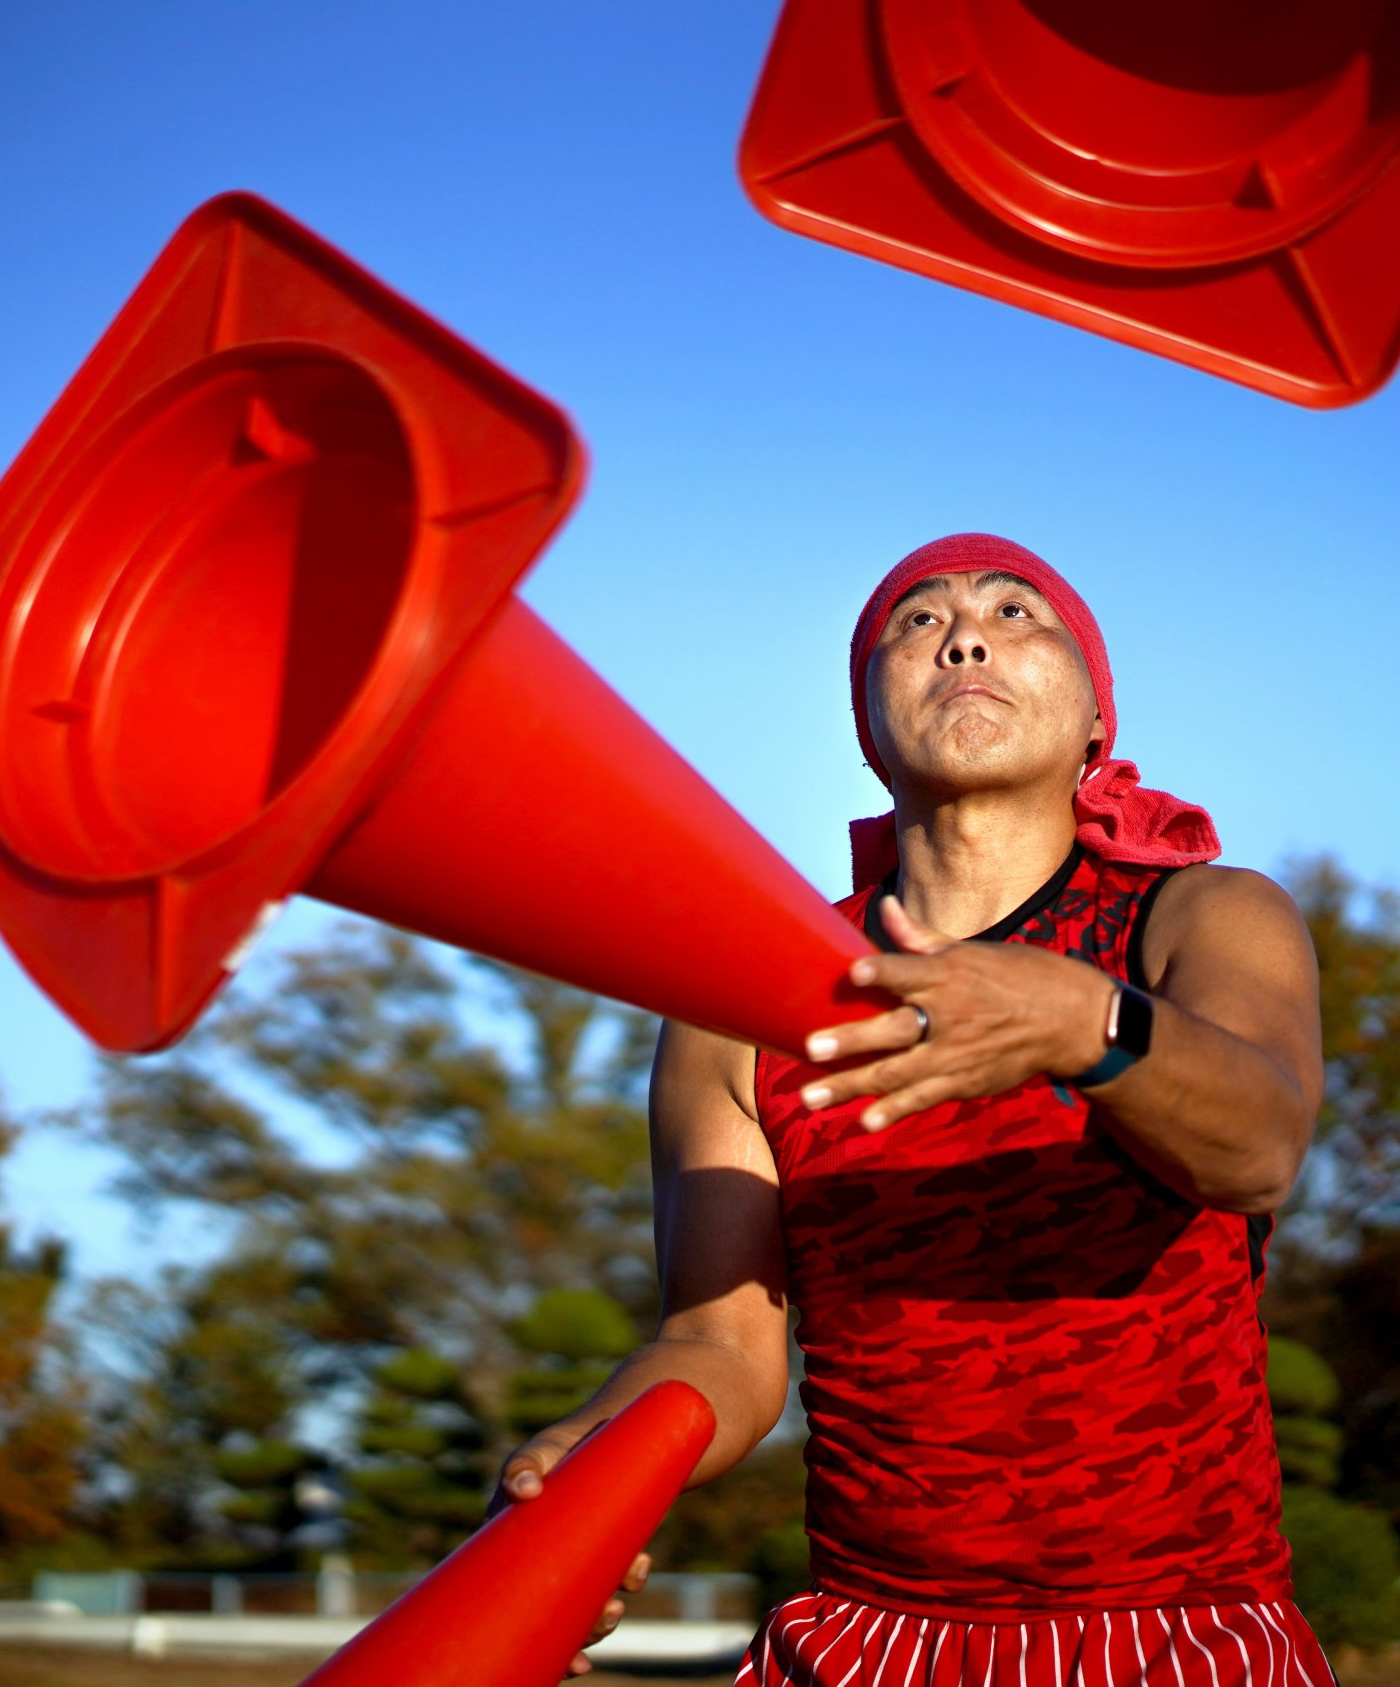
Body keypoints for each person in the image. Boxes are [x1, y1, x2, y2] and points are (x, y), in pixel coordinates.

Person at [498, 534, 1331, 1685]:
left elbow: (1259, 1148)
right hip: (868, 1643)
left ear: (1099, 720)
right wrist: (584, 1478)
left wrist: (1083, 1025)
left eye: (1016, 612)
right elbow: (719, 1346)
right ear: (867, 727)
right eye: (915, 621)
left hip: (1183, 1634)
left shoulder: (1199, 917)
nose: (965, 633)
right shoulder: (746, 999)